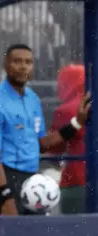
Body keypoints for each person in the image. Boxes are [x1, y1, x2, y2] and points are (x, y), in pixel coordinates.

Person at [0, 44, 91, 216]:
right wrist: (5, 194)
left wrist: (77, 122)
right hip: (6, 177)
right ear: (6, 64)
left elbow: (41, 144)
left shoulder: (33, 99)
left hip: (31, 178)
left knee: (34, 234)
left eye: (28, 62)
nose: (23, 66)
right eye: (17, 61)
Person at [47, 64, 87, 214]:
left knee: (76, 229)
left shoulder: (65, 110)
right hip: (91, 178)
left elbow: (54, 149)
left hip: (76, 182)